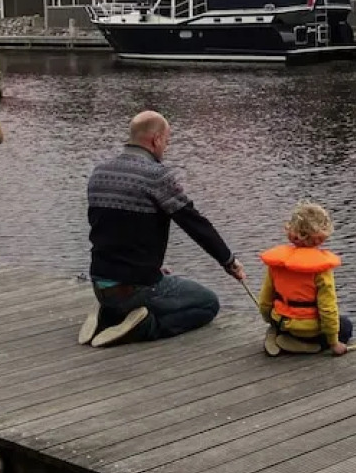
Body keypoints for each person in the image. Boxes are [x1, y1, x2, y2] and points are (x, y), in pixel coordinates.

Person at [81, 110, 246, 347]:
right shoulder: (156, 175)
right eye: (166, 141)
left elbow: (106, 230)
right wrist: (228, 261)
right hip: (136, 287)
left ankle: (109, 315)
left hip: (100, 283)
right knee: (207, 303)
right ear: (156, 139)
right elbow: (193, 221)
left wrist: (151, 265)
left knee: (148, 283)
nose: (165, 148)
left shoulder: (99, 172)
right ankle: (144, 327)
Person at [257, 201, 352, 357]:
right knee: (346, 327)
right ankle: (305, 346)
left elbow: (265, 300)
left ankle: (279, 334)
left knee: (285, 320)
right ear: (320, 238)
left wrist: (271, 320)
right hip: (307, 329)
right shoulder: (321, 269)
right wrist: (334, 342)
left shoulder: (277, 263)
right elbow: (327, 308)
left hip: (281, 321)